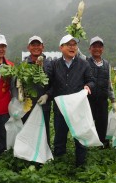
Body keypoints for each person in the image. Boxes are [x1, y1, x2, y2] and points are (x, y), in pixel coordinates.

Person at [38, 35, 94, 167]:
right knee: (60, 136)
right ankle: (59, 163)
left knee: (79, 136)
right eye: (69, 44)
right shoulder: (54, 64)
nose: (72, 47)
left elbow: (91, 80)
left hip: (77, 107)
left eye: (74, 45)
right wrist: (47, 95)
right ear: (61, 47)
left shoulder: (83, 64)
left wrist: (88, 86)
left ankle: (80, 165)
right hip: (61, 108)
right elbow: (50, 84)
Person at [22, 35, 51, 145]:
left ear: (43, 47)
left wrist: (48, 95)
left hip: (44, 105)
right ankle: (28, 157)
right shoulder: (24, 64)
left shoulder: (50, 64)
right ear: (28, 47)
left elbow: (54, 84)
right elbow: (18, 84)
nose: (36, 47)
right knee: (28, 131)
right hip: (27, 105)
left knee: (44, 132)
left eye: (38, 45)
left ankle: (45, 158)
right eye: (33, 45)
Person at [86, 36, 116, 146]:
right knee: (87, 124)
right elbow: (76, 52)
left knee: (102, 124)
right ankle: (86, 145)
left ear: (103, 49)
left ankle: (103, 146)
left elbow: (109, 83)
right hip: (89, 99)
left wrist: (113, 100)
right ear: (90, 49)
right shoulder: (85, 61)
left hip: (103, 100)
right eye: (94, 46)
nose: (97, 49)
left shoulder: (107, 64)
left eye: (100, 46)